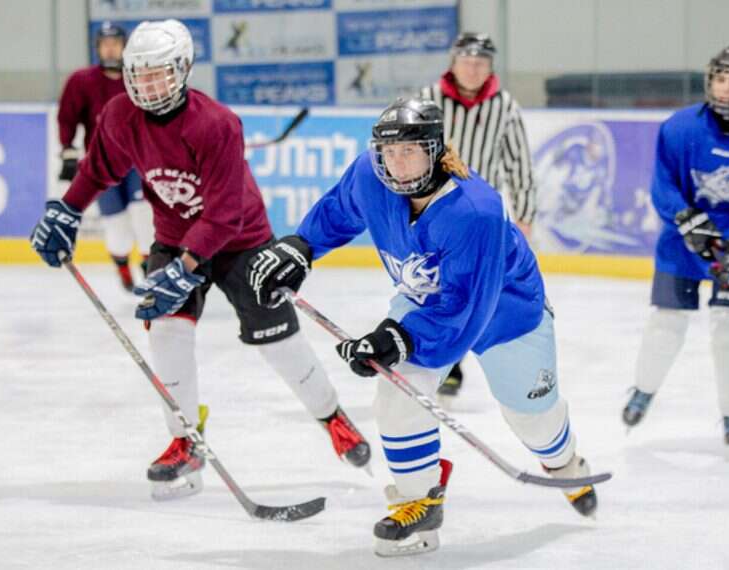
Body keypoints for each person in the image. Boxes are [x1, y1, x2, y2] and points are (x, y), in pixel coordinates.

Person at [31, 19, 370, 501]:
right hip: (173, 237)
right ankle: (185, 438)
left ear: (184, 70)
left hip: (242, 241)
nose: (147, 85)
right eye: (139, 74)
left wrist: (186, 269)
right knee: (167, 330)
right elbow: (99, 169)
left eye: (159, 74)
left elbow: (226, 215)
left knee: (279, 343)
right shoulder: (118, 115)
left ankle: (333, 417)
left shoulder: (215, 123)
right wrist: (67, 209)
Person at [246, 98, 597, 557]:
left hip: (504, 312)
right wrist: (301, 247)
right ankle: (419, 503)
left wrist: (400, 338)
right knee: (396, 393)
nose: (398, 163)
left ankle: (567, 466)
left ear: (436, 151)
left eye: (410, 151)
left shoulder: (475, 211)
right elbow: (340, 209)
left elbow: (466, 307)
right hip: (425, 301)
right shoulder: (373, 176)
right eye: (389, 152)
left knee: (533, 421)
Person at [620, 46, 729, 446]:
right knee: (667, 322)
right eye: (721, 79)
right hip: (682, 243)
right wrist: (684, 217)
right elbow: (663, 185)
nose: (727, 89)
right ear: (709, 81)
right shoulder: (679, 129)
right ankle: (643, 389)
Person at [417, 31, 537, 402]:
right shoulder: (427, 100)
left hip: (480, 215)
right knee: (430, 283)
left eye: (481, 62)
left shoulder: (504, 106)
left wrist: (525, 215)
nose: (473, 68)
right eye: (468, 60)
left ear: (490, 67)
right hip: (431, 208)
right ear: (454, 61)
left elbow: (519, 164)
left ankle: (471, 353)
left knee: (472, 284)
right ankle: (445, 360)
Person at [57, 21, 153, 291]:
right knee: (117, 226)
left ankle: (149, 267)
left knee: (145, 217)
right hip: (101, 163)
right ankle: (122, 264)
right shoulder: (82, 80)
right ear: (98, 48)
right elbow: (67, 117)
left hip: (137, 160)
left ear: (124, 46)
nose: (110, 49)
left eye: (115, 44)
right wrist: (67, 149)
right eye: (105, 44)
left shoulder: (137, 77)